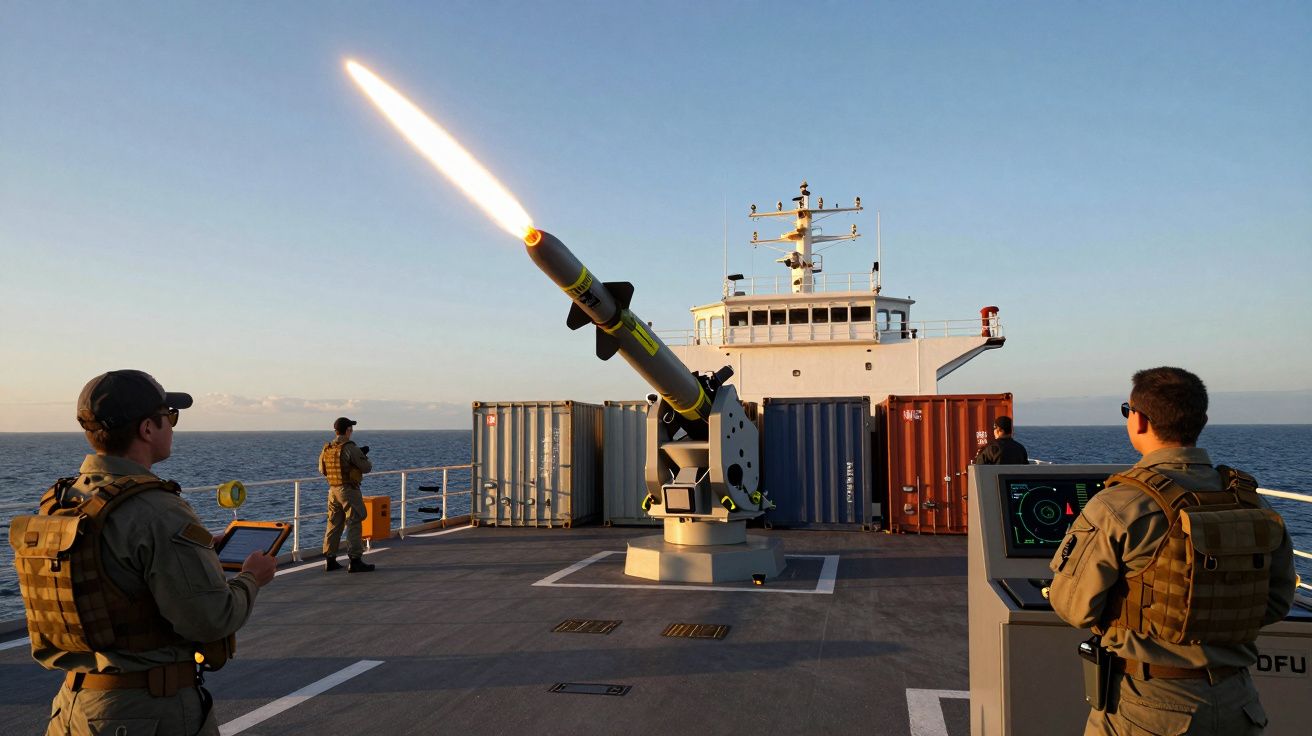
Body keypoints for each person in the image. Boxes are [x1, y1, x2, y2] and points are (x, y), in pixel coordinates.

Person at [10, 370, 277, 736]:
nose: (173, 426)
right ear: (147, 428)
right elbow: (211, 619)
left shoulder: (62, 500)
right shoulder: (158, 510)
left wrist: (197, 554)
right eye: (170, 416)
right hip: (145, 713)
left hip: (73, 708)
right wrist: (251, 578)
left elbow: (113, 575)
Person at [1048, 367, 1296, 735]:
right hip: (1239, 705)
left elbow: (1074, 607)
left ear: (1139, 420)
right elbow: (1276, 601)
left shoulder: (1119, 505)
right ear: (1202, 421)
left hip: (1148, 709)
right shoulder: (1250, 502)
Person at [319, 416, 375, 572]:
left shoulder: (327, 448)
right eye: (351, 429)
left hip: (332, 490)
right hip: (348, 490)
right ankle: (355, 560)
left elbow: (322, 469)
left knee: (334, 523)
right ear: (348, 430)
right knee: (354, 521)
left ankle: (330, 560)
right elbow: (366, 467)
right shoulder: (350, 447)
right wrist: (362, 455)